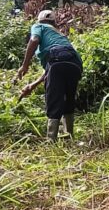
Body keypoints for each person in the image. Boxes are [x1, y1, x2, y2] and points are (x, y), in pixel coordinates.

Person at [16, 9, 83, 141]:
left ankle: (51, 139)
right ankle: (69, 136)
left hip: (57, 60)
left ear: (39, 20)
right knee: (69, 98)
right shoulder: (59, 35)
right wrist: (33, 85)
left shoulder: (39, 26)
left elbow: (34, 40)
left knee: (53, 98)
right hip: (75, 63)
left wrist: (25, 65)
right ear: (54, 23)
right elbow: (51, 69)